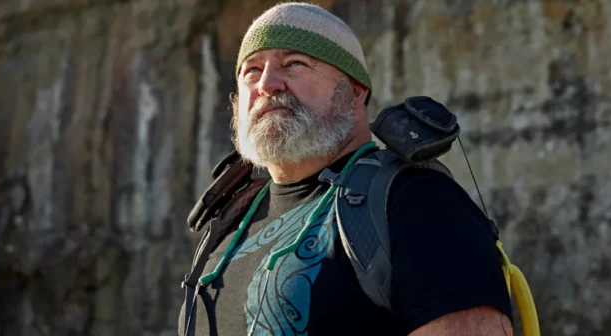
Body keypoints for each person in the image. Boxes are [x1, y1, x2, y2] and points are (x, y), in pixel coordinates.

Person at [179, 2, 513, 335]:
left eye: (294, 63)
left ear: (355, 90)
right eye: (251, 70)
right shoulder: (228, 222)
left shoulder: (418, 203)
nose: (267, 84)